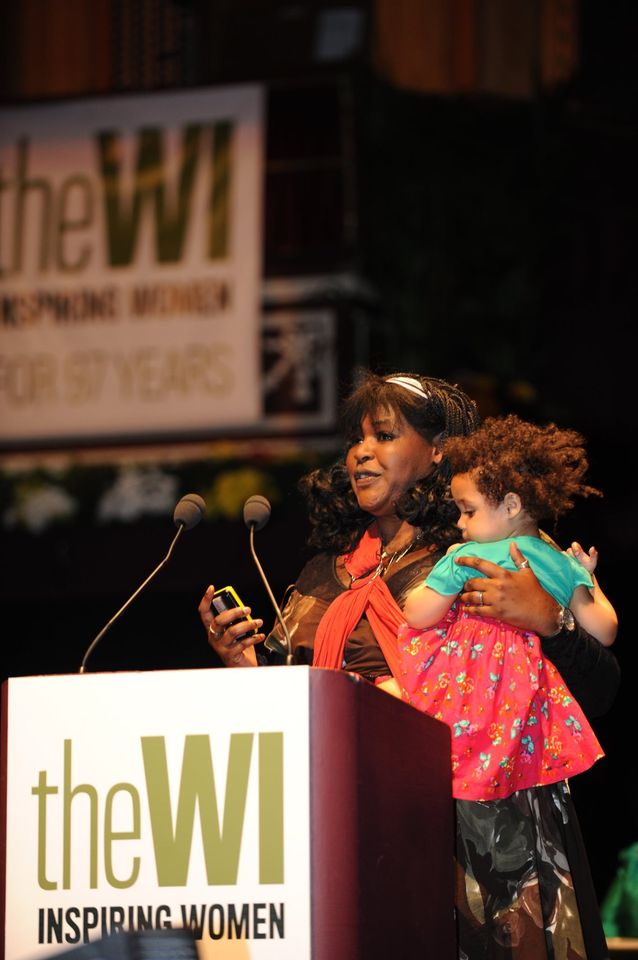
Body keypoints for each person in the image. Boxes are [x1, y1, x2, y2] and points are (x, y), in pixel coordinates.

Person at [199, 370, 620, 960]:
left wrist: (549, 620)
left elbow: (600, 690)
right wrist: (244, 665)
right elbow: (300, 709)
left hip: (479, 830)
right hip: (349, 819)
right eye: (356, 439)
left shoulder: (488, 546)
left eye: (385, 435)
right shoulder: (326, 569)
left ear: (439, 450)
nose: (361, 452)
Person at [393, 413, 617, 802]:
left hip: (465, 682)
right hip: (524, 693)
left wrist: (436, 579)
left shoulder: (467, 555)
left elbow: (417, 613)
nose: (461, 523)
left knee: (412, 709)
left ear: (511, 505)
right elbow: (605, 630)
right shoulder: (558, 560)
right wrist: (589, 578)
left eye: (469, 510)